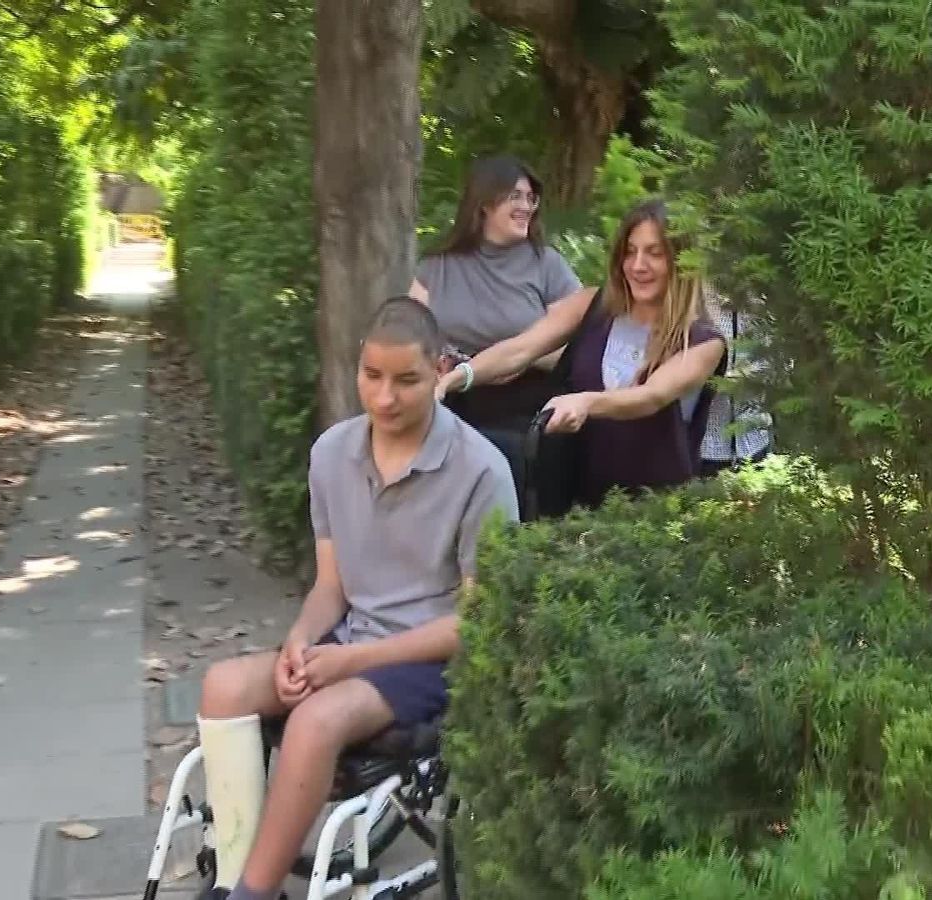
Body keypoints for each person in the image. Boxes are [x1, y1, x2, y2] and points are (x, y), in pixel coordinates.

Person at [193, 298, 518, 900]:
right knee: (223, 686)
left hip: (431, 660)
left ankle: (251, 895)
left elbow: (475, 624)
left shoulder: (483, 472)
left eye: (406, 380)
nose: (384, 397)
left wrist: (351, 662)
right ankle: (235, 869)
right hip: (351, 638)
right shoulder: (331, 454)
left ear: (441, 369)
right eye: (372, 375)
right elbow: (331, 587)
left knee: (315, 721)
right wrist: (299, 641)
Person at [437, 198, 727, 506]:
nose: (637, 265)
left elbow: (650, 397)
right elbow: (520, 349)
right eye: (630, 251)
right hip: (574, 503)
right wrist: (455, 378)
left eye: (655, 253)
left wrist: (586, 402)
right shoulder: (593, 306)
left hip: (652, 515)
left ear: (682, 262)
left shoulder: (703, 342)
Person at [409, 155, 588, 434]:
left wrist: (515, 357)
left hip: (522, 412)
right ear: (484, 202)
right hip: (448, 406)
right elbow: (408, 334)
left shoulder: (547, 265)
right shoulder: (437, 266)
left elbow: (578, 345)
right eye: (515, 196)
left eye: (531, 198)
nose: (526, 207)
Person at [698, 289, 773, 476]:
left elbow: (781, 360)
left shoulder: (764, 299)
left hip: (754, 440)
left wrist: (749, 376)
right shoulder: (693, 298)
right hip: (704, 445)